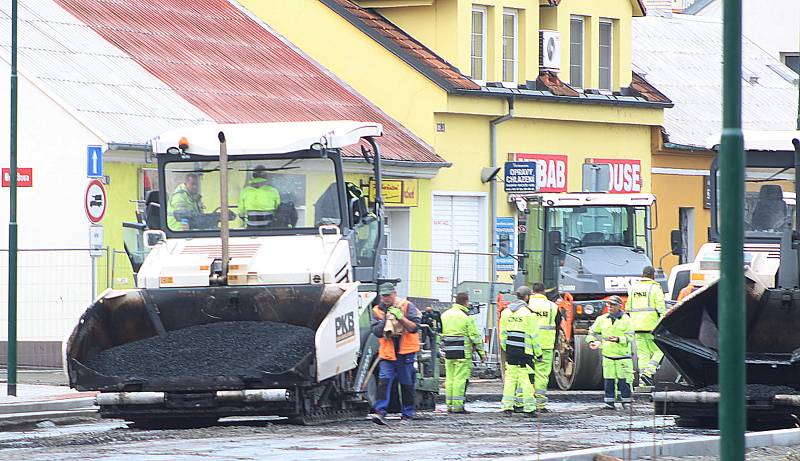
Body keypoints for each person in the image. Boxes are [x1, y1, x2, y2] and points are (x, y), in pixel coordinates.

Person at [369, 282, 422, 425]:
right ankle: (380, 412)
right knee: (384, 382)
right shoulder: (377, 311)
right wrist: (386, 320)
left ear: (394, 294)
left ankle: (407, 414)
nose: (386, 298)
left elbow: (414, 327)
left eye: (388, 295)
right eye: (383, 296)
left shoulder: (406, 306)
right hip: (388, 353)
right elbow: (376, 331)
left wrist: (400, 318)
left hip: (406, 352)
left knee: (406, 383)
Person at [499, 286, 542, 417]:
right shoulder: (529, 314)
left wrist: (506, 349)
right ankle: (529, 408)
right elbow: (534, 336)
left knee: (510, 379)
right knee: (527, 380)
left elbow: (503, 334)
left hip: (511, 351)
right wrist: (538, 353)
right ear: (527, 297)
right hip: (525, 353)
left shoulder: (506, 312)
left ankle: (507, 407)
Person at [587, 295, 634, 410]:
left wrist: (619, 339)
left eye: (613, 305)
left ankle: (626, 401)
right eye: (609, 305)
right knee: (609, 380)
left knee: (624, 380)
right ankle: (609, 402)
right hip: (608, 356)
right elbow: (592, 332)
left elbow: (631, 337)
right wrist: (592, 341)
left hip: (623, 356)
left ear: (619, 306)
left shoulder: (627, 320)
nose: (610, 307)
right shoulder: (602, 319)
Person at [441, 292, 485, 414]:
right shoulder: (466, 317)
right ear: (466, 301)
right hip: (462, 353)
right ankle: (458, 406)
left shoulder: (445, 315)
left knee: (450, 378)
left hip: (449, 351)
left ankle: (449, 405)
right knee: (460, 379)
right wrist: (482, 353)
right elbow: (475, 336)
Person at [626, 266, 667, 386]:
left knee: (643, 354)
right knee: (659, 350)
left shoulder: (633, 289)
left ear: (642, 275)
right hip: (651, 326)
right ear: (653, 275)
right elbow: (661, 308)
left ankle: (643, 382)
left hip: (636, 327)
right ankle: (648, 373)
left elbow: (628, 308)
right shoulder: (655, 288)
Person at [528, 282, 559, 413]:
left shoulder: (527, 305)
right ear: (544, 291)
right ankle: (540, 404)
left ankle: (527, 402)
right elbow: (557, 325)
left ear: (532, 292)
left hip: (529, 346)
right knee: (542, 375)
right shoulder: (553, 306)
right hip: (546, 345)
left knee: (528, 374)